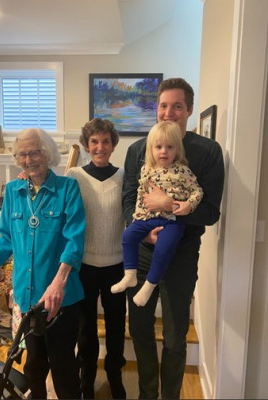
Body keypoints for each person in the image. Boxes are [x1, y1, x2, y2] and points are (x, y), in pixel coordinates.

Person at [122, 78, 225, 400]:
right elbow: (128, 198)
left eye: (177, 106)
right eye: (163, 105)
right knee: (139, 330)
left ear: (189, 110)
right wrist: (144, 227)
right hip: (142, 253)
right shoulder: (138, 150)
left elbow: (209, 211)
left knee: (175, 336)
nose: (169, 112)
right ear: (157, 109)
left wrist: (171, 210)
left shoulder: (207, 151)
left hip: (181, 254)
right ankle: (147, 394)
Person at [0, 128, 86, 399]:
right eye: (23, 154)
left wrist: (57, 284)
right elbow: (6, 238)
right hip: (27, 298)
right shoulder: (14, 191)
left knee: (64, 368)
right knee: (33, 366)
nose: (29, 159)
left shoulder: (67, 189)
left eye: (35, 152)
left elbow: (74, 241)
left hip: (60, 299)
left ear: (47, 153)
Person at [111, 121, 203, 307]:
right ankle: (130, 275)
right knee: (128, 236)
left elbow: (197, 191)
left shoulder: (182, 171)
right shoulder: (146, 169)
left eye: (170, 147)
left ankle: (149, 285)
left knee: (164, 247)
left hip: (171, 221)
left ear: (177, 149)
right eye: (158, 147)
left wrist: (188, 205)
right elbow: (140, 193)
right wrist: (138, 215)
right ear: (151, 149)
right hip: (145, 218)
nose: (164, 151)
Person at [66, 118, 127, 399]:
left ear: (113, 144)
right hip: (84, 267)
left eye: (105, 141)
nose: (100, 146)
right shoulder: (75, 176)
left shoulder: (125, 175)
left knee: (116, 328)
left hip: (117, 266)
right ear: (87, 145)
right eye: (94, 141)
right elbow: (53, 193)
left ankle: (115, 377)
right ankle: (86, 380)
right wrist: (24, 176)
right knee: (85, 330)